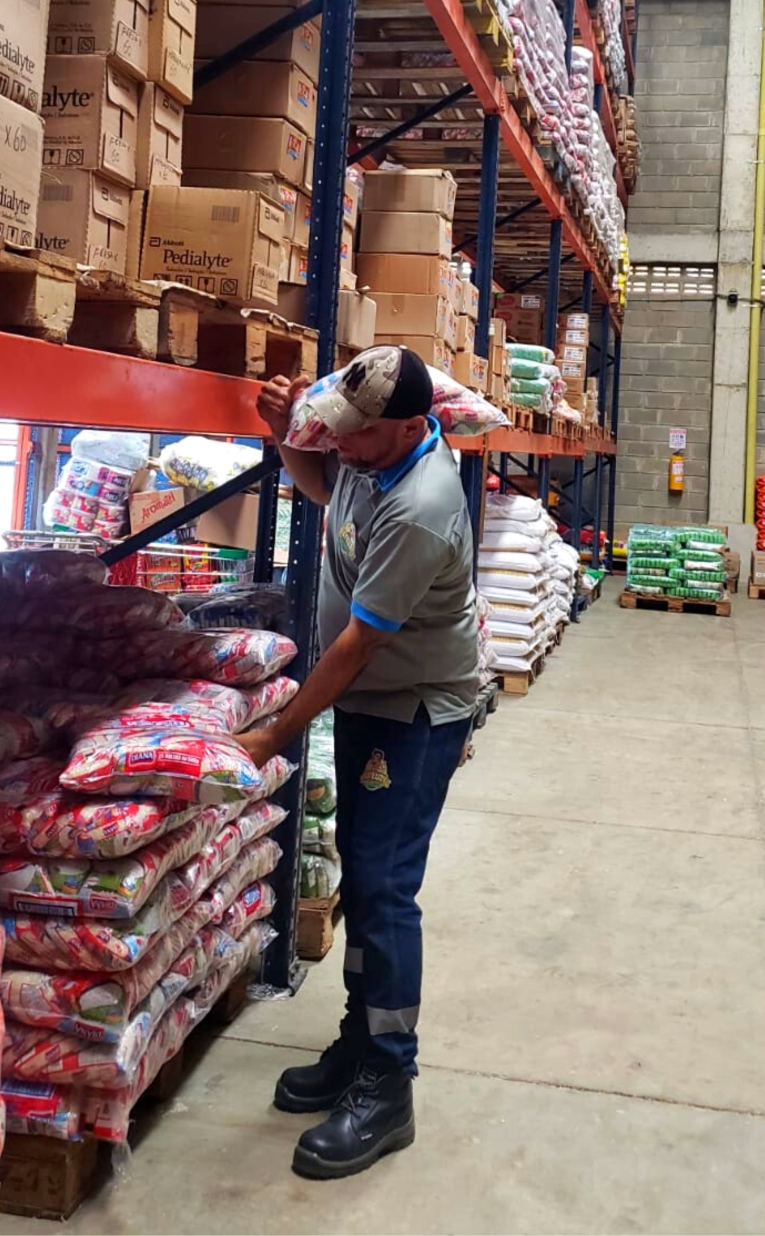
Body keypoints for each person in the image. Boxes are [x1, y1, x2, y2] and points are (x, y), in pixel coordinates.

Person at [241, 344, 478, 1181]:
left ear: (410, 428)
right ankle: (359, 1038)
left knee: (384, 889)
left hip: (413, 712)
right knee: (363, 875)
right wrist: (285, 435)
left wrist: (276, 733)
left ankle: (390, 1079)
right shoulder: (370, 457)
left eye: (357, 434)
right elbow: (322, 491)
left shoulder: (422, 505)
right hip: (373, 703)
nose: (340, 442)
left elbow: (355, 646)